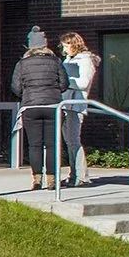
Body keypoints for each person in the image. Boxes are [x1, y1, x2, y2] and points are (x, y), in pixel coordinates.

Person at [11, 26, 70, 192]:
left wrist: (28, 93)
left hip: (31, 106)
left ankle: (36, 180)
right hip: (53, 106)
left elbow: (15, 88)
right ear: (45, 45)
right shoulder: (55, 61)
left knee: (35, 145)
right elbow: (64, 84)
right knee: (52, 145)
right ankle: (52, 180)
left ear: (29, 46)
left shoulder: (22, 64)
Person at [58, 32, 100, 188]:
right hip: (65, 104)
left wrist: (64, 81)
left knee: (74, 141)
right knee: (69, 141)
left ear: (74, 44)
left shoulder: (85, 60)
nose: (64, 48)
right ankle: (73, 174)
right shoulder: (68, 60)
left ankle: (81, 176)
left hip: (75, 105)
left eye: (66, 45)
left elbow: (84, 83)